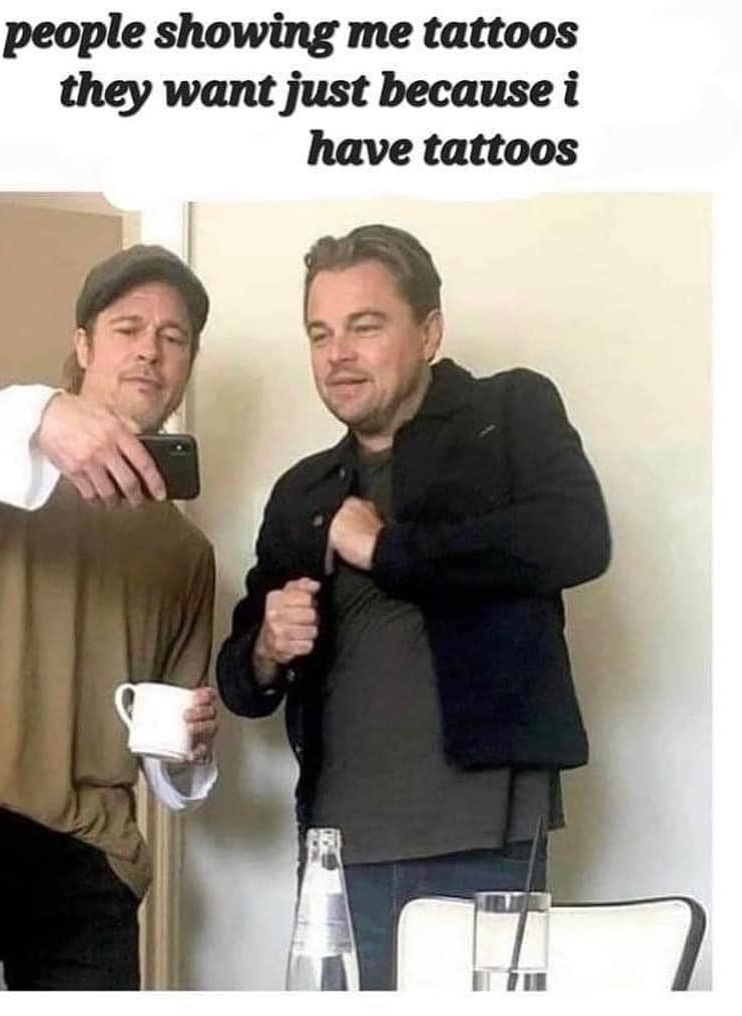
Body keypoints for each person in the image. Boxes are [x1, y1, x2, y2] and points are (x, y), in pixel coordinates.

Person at [216, 224, 611, 989]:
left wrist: (385, 549)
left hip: (482, 834)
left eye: (364, 326)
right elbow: (239, 678)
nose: (337, 354)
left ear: (428, 332)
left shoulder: (508, 412)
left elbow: (576, 538)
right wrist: (266, 647)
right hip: (336, 847)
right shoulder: (302, 490)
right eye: (319, 333)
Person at [0, 244, 220, 990]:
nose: (150, 349)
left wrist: (192, 752)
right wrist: (41, 412)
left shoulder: (186, 552)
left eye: (173, 337)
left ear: (187, 365)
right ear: (83, 347)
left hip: (87, 852)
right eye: (128, 328)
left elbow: (166, 763)